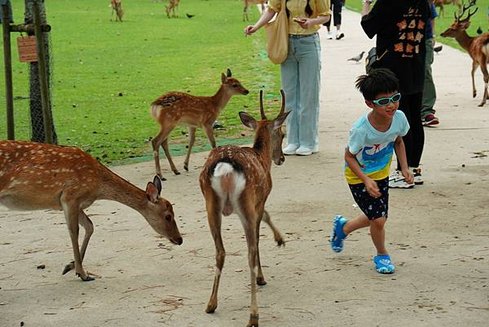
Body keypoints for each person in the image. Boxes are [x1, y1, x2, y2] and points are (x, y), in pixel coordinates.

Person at [330, 68, 413, 274]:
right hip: (358, 177)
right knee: (378, 219)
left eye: (395, 98)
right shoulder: (361, 130)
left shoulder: (400, 118)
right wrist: (366, 179)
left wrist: (404, 167)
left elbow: (398, 141)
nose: (391, 105)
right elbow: (349, 156)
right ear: (369, 103)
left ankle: (344, 227)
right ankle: (382, 255)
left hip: (382, 175)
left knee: (376, 216)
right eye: (383, 101)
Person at [244, 0, 331, 156]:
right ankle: (293, 140)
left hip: (308, 43)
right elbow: (271, 10)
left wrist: (311, 21)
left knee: (308, 94)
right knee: (289, 94)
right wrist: (256, 27)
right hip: (286, 42)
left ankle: (309, 141)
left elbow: (326, 16)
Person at [360, 0, 431, 188]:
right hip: (415, 62)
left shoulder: (387, 2)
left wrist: (365, 4)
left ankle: (403, 172)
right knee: (415, 118)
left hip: (394, 68)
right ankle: (413, 169)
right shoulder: (423, 2)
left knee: (402, 118)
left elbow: (368, 26)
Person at [421, 0, 440, 127]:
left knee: (425, 71)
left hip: (425, 39)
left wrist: (432, 36)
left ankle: (426, 111)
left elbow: (432, 17)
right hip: (403, 40)